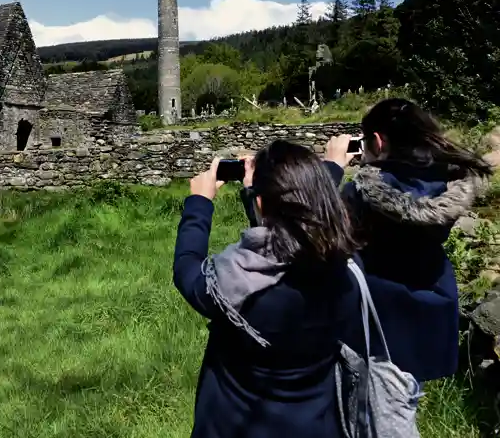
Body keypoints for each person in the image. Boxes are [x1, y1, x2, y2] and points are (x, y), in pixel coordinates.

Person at [174, 141, 362, 438]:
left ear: (262, 205)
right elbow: (295, 236)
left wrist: (200, 202)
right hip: (315, 426)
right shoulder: (347, 277)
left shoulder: (239, 291)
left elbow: (187, 270)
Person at [324, 98, 492, 384]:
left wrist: (330, 168)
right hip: (431, 319)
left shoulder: (360, 194)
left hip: (376, 327)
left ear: (377, 141)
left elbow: (313, 231)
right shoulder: (445, 185)